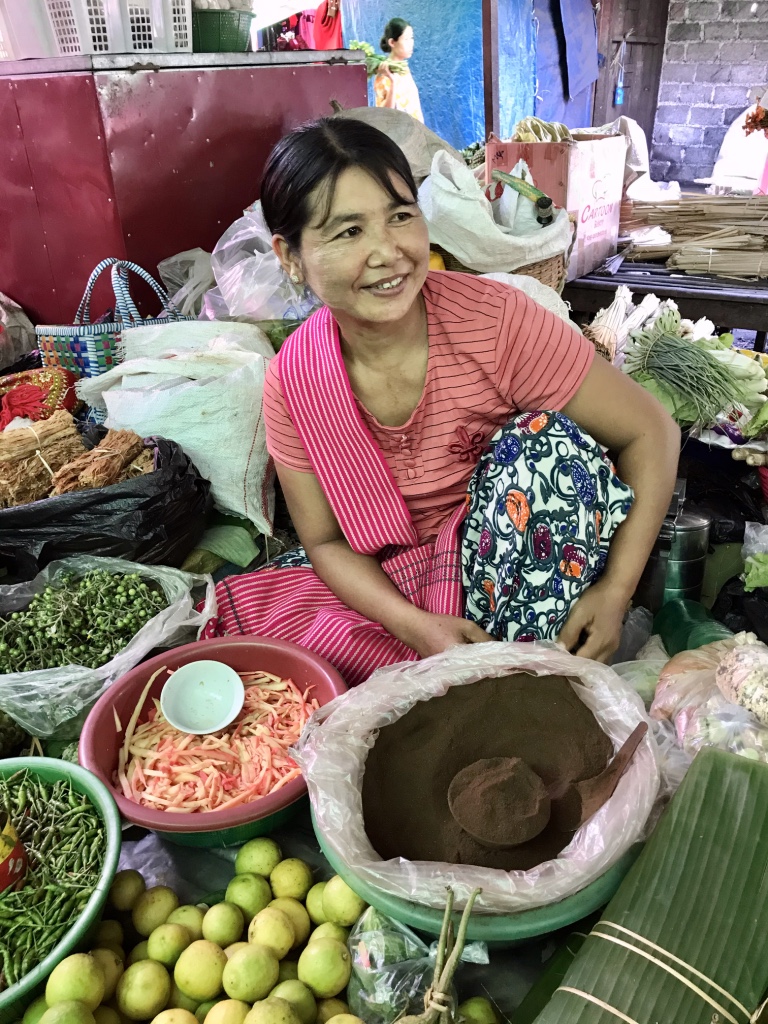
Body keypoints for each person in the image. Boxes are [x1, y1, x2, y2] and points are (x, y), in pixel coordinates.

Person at [210, 118, 680, 684]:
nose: (388, 252)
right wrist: (415, 626)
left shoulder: (496, 323)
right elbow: (327, 542)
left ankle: (512, 685)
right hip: (394, 580)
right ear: (290, 256)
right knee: (266, 659)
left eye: (401, 216)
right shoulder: (295, 380)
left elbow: (651, 430)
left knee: (549, 450)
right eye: (349, 231)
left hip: (510, 562)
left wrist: (616, 591)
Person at [373, 18, 423, 123]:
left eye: (412, 38)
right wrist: (393, 82)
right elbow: (385, 114)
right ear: (392, 42)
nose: (411, 43)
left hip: (414, 129)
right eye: (406, 39)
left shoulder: (403, 69)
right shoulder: (384, 73)